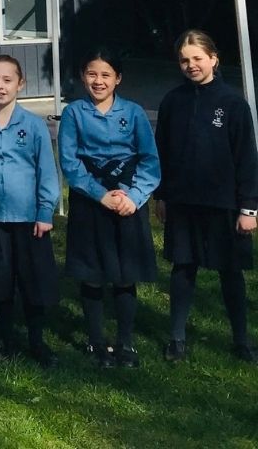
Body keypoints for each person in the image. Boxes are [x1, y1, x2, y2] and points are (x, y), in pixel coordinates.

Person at [155, 29, 258, 363]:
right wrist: (162, 196)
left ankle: (241, 341)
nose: (191, 65)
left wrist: (249, 208)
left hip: (225, 205)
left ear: (213, 58)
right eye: (184, 60)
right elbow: (163, 154)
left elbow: (247, 159)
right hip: (183, 203)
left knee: (231, 272)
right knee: (183, 269)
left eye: (197, 58)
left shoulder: (232, 104)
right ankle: (177, 338)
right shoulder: (173, 101)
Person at [58, 48, 159, 368]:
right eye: (91, 74)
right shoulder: (74, 113)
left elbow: (150, 161)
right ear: (82, 76)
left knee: (124, 274)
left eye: (105, 75)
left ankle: (126, 343)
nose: (98, 81)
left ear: (118, 78)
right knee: (92, 273)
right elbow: (70, 163)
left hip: (127, 201)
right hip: (91, 202)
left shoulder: (134, 113)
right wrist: (99, 194)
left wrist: (133, 196)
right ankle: (96, 341)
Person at [0, 54, 61, 368]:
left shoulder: (33, 125)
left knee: (33, 282)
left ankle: (36, 340)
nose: (0, 86)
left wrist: (46, 210)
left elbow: (47, 169)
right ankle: (7, 339)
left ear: (21, 84)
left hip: (29, 219)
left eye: (7, 80)